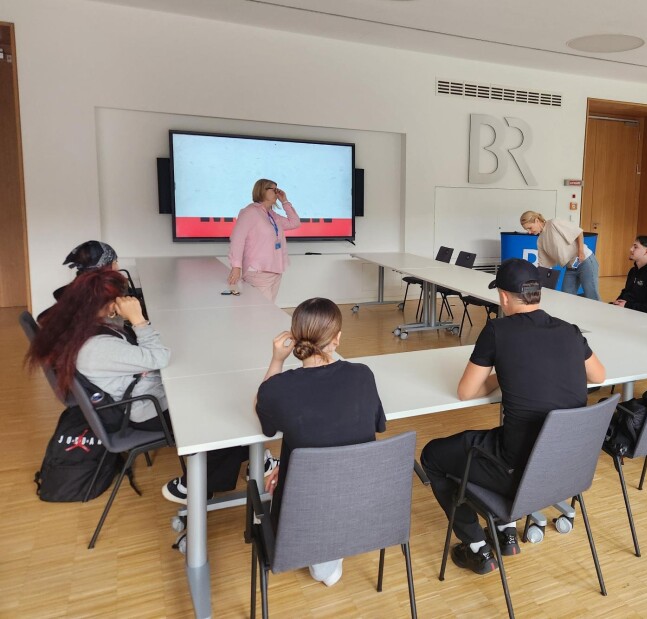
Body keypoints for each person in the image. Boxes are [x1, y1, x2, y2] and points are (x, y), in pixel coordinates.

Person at [421, 258, 605, 574]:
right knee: (498, 439)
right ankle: (506, 531)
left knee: (434, 456)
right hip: (567, 470)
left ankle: (477, 547)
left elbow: (466, 391)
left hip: (518, 470)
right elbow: (599, 376)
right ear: (538, 294)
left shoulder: (498, 330)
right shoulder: (570, 331)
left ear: (504, 297)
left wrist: (501, 376)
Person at [26, 269, 267, 505]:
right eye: (119, 298)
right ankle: (195, 485)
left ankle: (257, 459)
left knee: (217, 392)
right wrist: (138, 319)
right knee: (222, 409)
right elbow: (158, 358)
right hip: (144, 410)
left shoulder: (82, 327)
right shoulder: (96, 348)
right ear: (109, 304)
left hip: (138, 394)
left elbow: (141, 354)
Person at [256, 297, 386, 587]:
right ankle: (329, 552)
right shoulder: (363, 375)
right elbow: (375, 426)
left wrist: (277, 359)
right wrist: (289, 464)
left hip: (303, 511)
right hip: (366, 503)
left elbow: (263, 414)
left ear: (293, 338)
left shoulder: (280, 388)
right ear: (337, 338)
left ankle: (324, 555)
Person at [228, 179, 301, 303]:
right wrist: (236, 267)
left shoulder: (272, 215)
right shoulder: (250, 212)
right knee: (261, 312)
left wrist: (285, 201)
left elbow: (295, 223)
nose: (277, 193)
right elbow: (237, 239)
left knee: (269, 310)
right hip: (258, 272)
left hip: (275, 270)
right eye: (274, 189)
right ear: (262, 190)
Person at [520, 210, 600, 301]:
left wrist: (581, 252)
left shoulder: (554, 223)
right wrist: (531, 284)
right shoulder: (540, 241)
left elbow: (578, 232)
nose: (529, 232)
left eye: (530, 228)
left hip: (585, 261)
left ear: (537, 221)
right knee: (566, 299)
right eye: (527, 230)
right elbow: (543, 267)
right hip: (570, 268)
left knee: (592, 296)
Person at [611, 235, 647, 315]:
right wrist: (617, 302)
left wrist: (627, 305)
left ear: (646, 251)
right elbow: (626, 292)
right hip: (626, 312)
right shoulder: (633, 271)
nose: (631, 249)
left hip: (639, 318)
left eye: (635, 247)